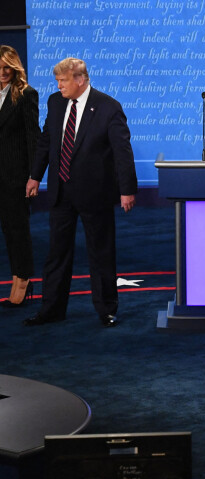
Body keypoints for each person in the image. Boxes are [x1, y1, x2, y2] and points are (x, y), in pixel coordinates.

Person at [25, 57, 137, 327]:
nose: (59, 85)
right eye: (57, 81)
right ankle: (51, 309)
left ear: (80, 79)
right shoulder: (55, 102)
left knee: (100, 252)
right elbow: (47, 141)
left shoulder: (108, 107)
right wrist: (35, 176)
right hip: (61, 191)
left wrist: (127, 190)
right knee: (57, 253)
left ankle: (106, 309)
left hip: (95, 192)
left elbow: (122, 152)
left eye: (63, 80)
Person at [0, 45, 40, 307]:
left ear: (15, 68)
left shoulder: (26, 94)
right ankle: (17, 280)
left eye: (7, 68)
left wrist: (34, 176)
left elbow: (32, 138)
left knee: (17, 231)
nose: (3, 73)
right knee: (8, 230)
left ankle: (23, 283)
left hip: (15, 177)